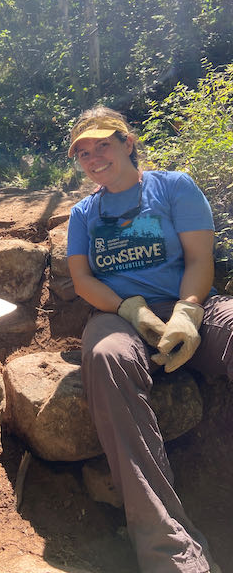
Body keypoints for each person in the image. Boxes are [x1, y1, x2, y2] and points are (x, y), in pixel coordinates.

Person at [66, 106, 231, 573]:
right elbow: (82, 280)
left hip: (194, 305)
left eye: (103, 144)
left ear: (127, 142)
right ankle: (170, 552)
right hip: (119, 318)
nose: (94, 156)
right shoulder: (83, 213)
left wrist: (188, 311)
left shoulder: (174, 187)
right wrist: (130, 309)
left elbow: (200, 258)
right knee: (105, 355)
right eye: (83, 151)